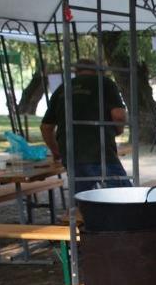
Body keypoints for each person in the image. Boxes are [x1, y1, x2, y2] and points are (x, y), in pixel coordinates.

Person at [40, 59, 132, 193]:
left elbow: (46, 128)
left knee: (85, 202)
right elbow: (119, 116)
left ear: (76, 72)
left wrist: (57, 152)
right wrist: (118, 130)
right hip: (100, 152)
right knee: (125, 198)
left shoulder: (63, 88)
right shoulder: (105, 84)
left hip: (71, 156)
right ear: (98, 71)